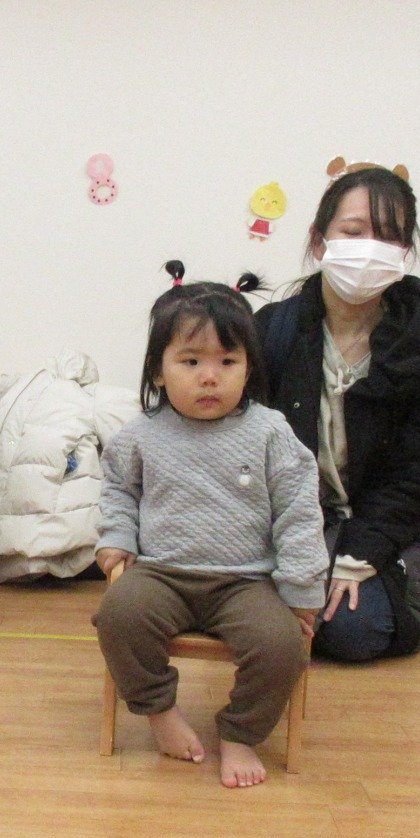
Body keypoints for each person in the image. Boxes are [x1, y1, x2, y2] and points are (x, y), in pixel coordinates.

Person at [94, 263, 328, 788]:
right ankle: (159, 711)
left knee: (282, 647)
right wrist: (117, 537)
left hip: (246, 581)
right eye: (191, 360)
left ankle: (241, 732)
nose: (209, 376)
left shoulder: (270, 432)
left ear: (249, 367)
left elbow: (299, 512)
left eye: (228, 361)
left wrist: (300, 589)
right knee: (118, 615)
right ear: (159, 371)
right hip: (162, 573)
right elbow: (118, 489)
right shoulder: (141, 434)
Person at [255, 165, 420, 663]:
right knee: (257, 619)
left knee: (354, 633)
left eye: (389, 236)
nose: (370, 248)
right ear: (319, 241)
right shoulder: (272, 331)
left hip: (373, 519)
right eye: (353, 231)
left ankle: (399, 579)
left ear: (405, 251)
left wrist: (361, 553)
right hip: (290, 521)